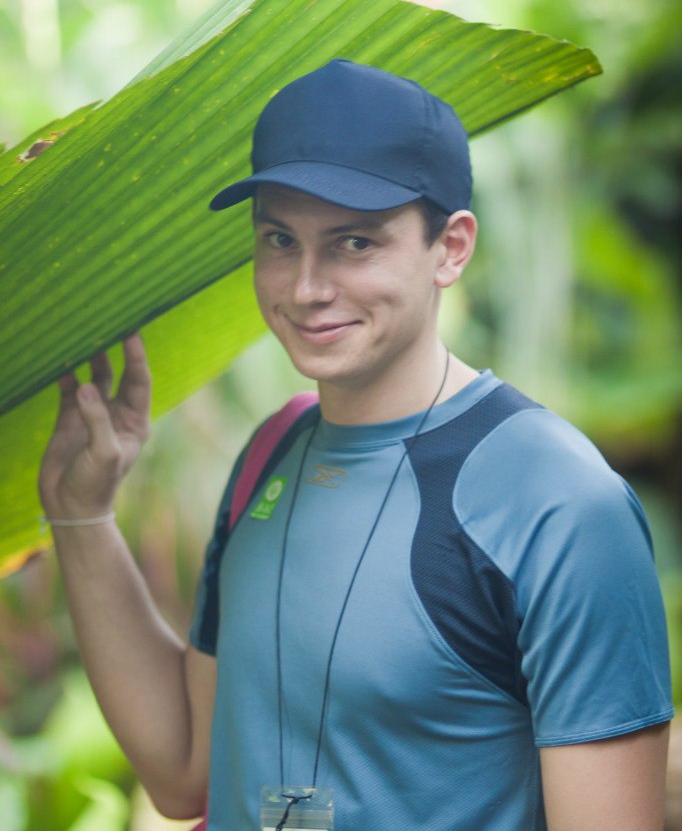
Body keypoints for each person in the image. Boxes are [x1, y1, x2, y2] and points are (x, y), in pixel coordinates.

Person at [39, 59, 674, 831]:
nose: (305, 287)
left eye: (354, 244)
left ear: (451, 247)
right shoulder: (270, 453)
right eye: (280, 238)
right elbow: (183, 773)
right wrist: (82, 515)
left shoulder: (558, 502)